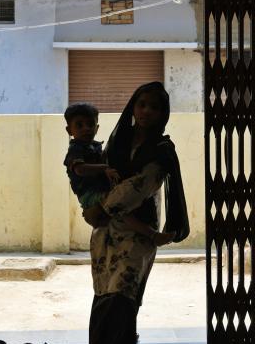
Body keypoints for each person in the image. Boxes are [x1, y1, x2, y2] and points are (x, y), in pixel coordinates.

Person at [75, 82, 189, 344]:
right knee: (102, 299)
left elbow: (140, 186)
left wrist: (100, 208)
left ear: (163, 113)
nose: (147, 111)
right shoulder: (117, 139)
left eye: (155, 106)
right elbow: (96, 178)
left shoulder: (161, 150)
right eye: (142, 104)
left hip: (137, 236)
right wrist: (95, 208)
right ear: (133, 107)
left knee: (123, 302)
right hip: (106, 234)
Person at [63, 102, 173, 245]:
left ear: (97, 128)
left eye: (90, 125)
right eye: (79, 125)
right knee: (120, 208)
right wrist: (103, 168)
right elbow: (80, 169)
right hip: (90, 194)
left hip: (99, 191)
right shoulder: (76, 150)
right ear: (69, 130)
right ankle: (153, 235)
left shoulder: (94, 146)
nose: (86, 129)